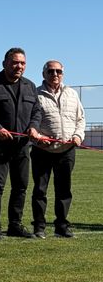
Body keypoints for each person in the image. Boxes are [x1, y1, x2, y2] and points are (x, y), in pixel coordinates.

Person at [0, 48, 42, 239]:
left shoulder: (30, 86)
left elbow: (37, 112)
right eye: (15, 62)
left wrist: (33, 127)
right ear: (4, 64)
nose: (19, 66)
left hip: (22, 146)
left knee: (21, 186)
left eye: (22, 63)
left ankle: (15, 224)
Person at [30, 60, 85, 238]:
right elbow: (30, 121)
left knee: (64, 190)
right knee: (40, 190)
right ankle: (39, 227)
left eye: (58, 71)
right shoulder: (35, 94)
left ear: (63, 73)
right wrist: (38, 138)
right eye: (51, 71)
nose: (55, 74)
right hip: (42, 150)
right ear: (43, 74)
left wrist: (78, 136)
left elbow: (80, 119)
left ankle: (62, 226)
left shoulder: (72, 94)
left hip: (67, 150)